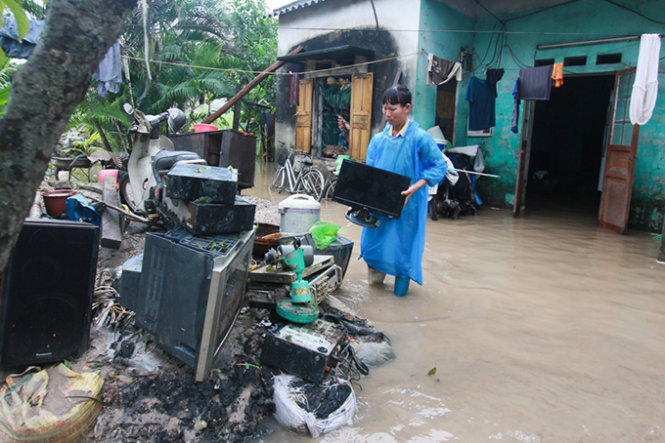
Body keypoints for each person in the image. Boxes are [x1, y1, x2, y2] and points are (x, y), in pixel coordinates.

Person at [359, 85, 446, 296]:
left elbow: (439, 166)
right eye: (384, 108)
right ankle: (376, 301)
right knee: (374, 246)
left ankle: (400, 299)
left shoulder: (420, 138)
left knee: (403, 252)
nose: (387, 114)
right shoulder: (378, 140)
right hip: (379, 205)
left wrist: (413, 188)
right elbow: (370, 174)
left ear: (406, 107)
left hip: (409, 206)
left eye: (393, 108)